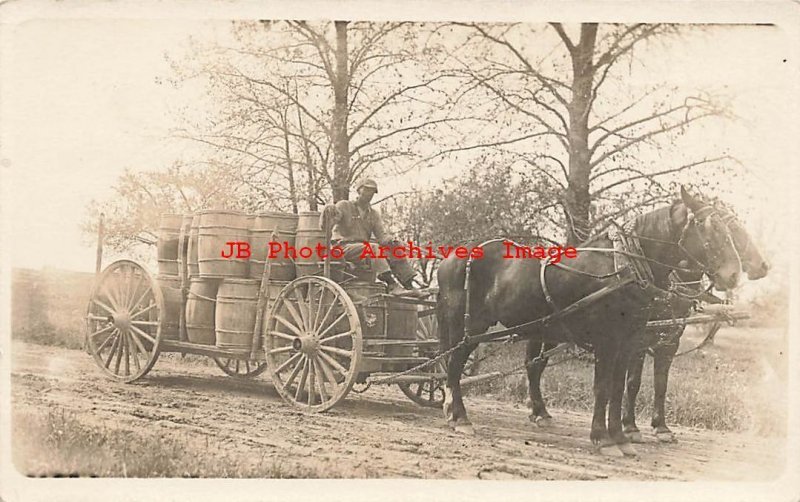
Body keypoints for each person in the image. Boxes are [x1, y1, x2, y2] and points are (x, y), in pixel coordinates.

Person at [320, 179, 418, 294]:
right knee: (372, 248)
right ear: (358, 190)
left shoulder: (374, 214)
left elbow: (381, 237)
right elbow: (329, 223)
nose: (369, 194)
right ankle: (391, 284)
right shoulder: (344, 206)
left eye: (372, 191)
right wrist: (329, 214)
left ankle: (408, 284)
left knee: (394, 246)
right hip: (342, 248)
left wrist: (392, 241)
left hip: (363, 250)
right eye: (366, 190)